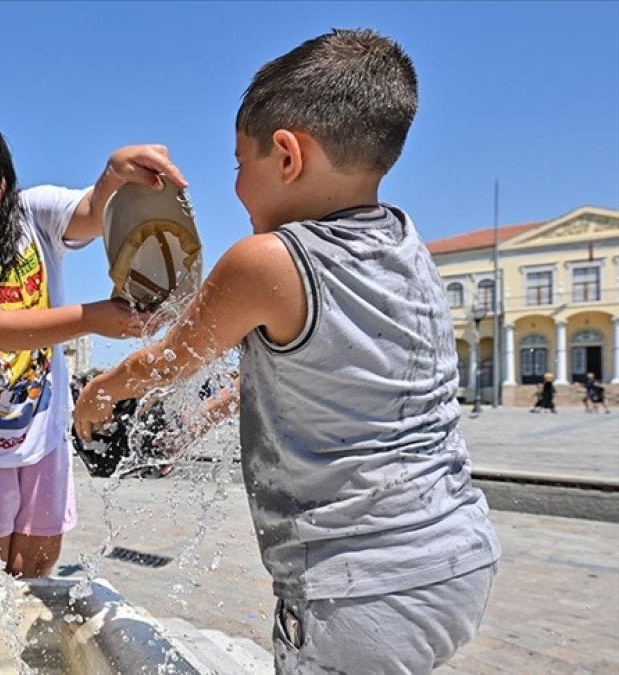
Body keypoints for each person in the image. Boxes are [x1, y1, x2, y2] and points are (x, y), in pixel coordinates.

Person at [73, 30, 500, 673]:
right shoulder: (404, 245)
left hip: (359, 589)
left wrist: (98, 393)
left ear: (287, 155)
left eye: (239, 164)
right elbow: (332, 374)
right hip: (457, 554)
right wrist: (206, 415)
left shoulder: (269, 260)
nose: (238, 189)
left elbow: (167, 359)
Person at [0, 114, 179, 578]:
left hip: (42, 435)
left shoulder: (33, 213)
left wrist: (116, 171)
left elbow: (95, 211)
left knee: (36, 573)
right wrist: (94, 318)